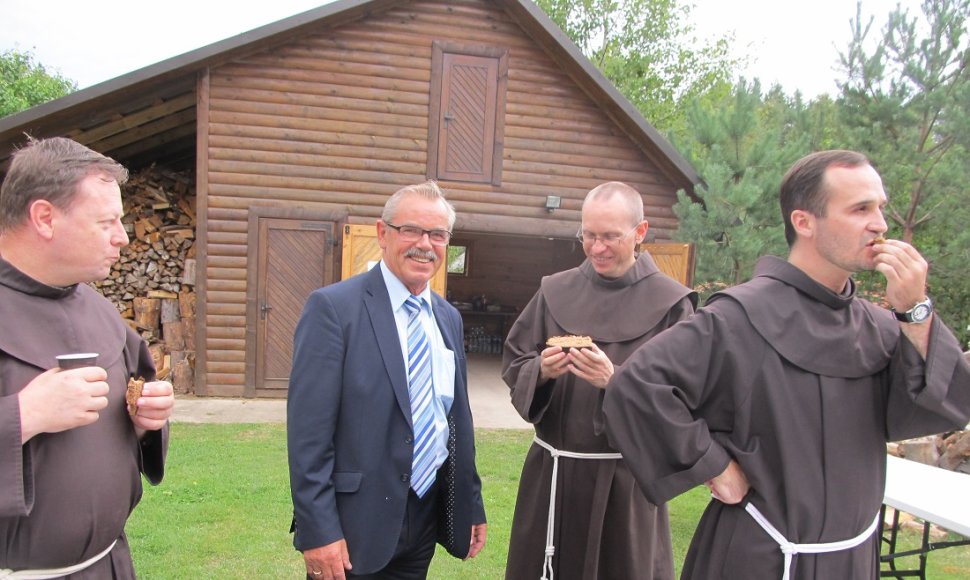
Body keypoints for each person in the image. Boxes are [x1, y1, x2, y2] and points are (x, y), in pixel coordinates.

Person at [602, 150, 970, 579]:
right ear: (804, 222)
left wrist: (915, 312)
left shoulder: (879, 327)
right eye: (860, 209)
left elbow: (936, 405)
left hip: (850, 559)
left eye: (880, 208)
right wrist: (711, 463)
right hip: (760, 557)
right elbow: (635, 386)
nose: (880, 224)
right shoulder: (738, 317)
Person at [288, 181, 487, 579]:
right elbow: (308, 435)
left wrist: (471, 501)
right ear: (382, 233)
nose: (424, 244)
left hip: (423, 518)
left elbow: (453, 418)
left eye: (437, 234)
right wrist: (318, 530)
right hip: (354, 526)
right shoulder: (333, 309)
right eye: (410, 230)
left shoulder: (447, 318)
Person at [502, 181, 697, 579]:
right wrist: (540, 370)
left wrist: (617, 381)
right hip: (553, 475)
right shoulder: (555, 290)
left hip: (624, 485)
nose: (597, 247)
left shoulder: (672, 305)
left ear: (640, 232)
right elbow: (515, 359)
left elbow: (687, 401)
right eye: (588, 235)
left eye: (610, 236)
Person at [0, 137, 174, 578]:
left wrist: (143, 418)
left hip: (106, 565)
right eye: (106, 222)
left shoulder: (98, 309)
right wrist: (22, 415)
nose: (123, 236)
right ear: (44, 218)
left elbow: (128, 417)